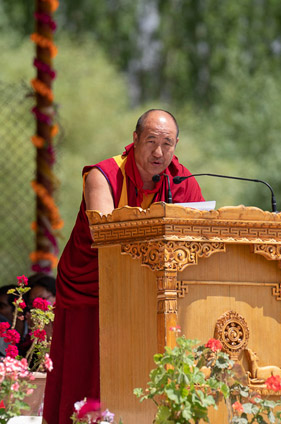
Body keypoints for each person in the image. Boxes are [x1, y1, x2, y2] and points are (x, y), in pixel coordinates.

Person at [43, 109, 204, 424]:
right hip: (94, 289)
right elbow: (107, 238)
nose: (159, 152)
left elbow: (197, 240)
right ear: (135, 139)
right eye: (151, 141)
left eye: (167, 144)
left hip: (151, 294)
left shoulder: (182, 182)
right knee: (87, 378)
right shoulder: (103, 176)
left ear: (176, 145)